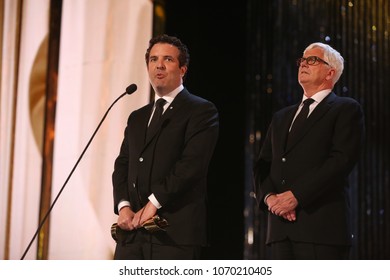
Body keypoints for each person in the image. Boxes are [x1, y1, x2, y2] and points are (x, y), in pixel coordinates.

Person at [253, 42, 365, 259]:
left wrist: (296, 196)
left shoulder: (346, 108)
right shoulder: (281, 117)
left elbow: (341, 160)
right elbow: (262, 164)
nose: (303, 63)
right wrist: (269, 198)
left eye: (312, 60)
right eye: (302, 60)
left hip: (321, 228)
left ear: (330, 72)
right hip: (280, 230)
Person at [112, 34, 219, 259]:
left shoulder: (201, 110)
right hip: (131, 235)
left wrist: (153, 202)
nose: (159, 65)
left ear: (183, 69)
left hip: (173, 234)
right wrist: (123, 206)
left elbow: (191, 165)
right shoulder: (137, 117)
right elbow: (122, 164)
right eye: (153, 59)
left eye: (168, 59)